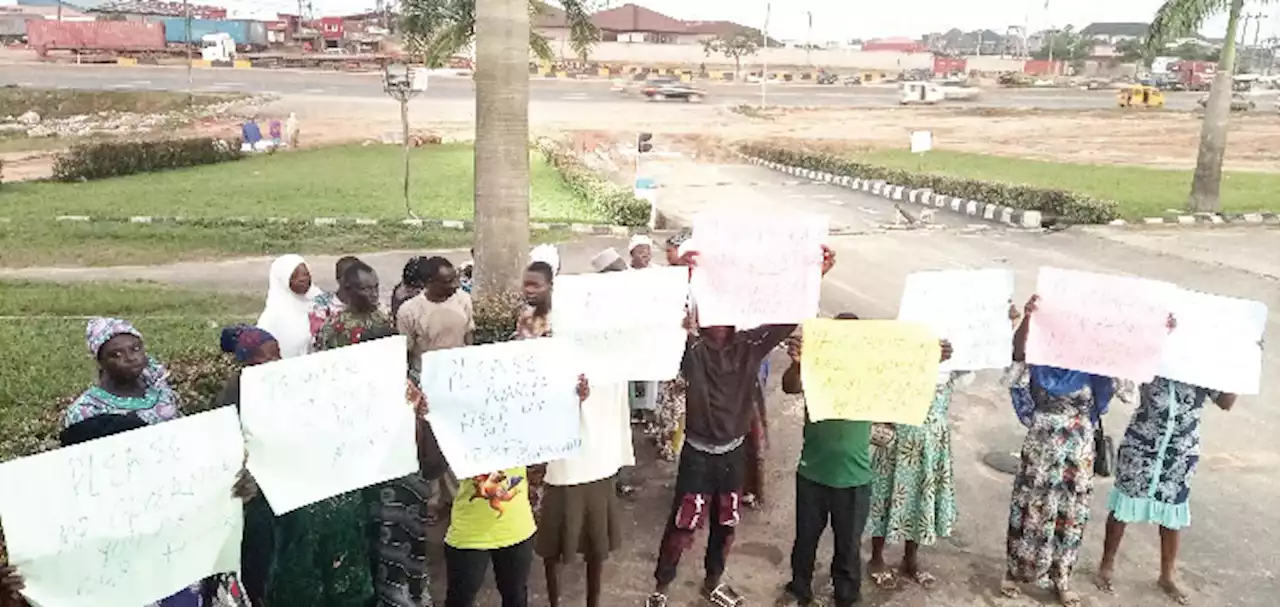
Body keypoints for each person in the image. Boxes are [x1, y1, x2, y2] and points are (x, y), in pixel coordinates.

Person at [646, 245, 836, 607]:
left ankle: (712, 582)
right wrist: (680, 275)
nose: (718, 318)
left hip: (733, 454)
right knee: (683, 523)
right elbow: (658, 317)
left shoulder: (751, 345)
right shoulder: (690, 349)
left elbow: (787, 317)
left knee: (727, 521)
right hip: (697, 455)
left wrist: (817, 275)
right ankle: (661, 588)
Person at [0, 413, 255, 607]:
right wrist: (10, 597)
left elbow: (219, 559)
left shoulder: (179, 509)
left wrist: (231, 498)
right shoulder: (56, 545)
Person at [1002, 294, 1123, 607]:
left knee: (1069, 515)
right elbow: (1017, 353)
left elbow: (1124, 374)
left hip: (1076, 451)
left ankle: (1061, 579)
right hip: (1041, 449)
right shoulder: (1041, 361)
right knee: (1030, 509)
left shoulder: (1093, 367)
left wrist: (1153, 333)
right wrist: (1029, 317)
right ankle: (1015, 572)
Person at [445, 375, 592, 607]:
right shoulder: (460, 427)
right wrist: (424, 414)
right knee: (460, 599)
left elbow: (555, 429)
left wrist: (574, 400)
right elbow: (431, 463)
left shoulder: (523, 423)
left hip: (517, 529)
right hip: (469, 532)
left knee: (515, 597)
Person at [1095, 376, 1237, 605]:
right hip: (1143, 441)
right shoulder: (1155, 352)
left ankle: (1166, 575)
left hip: (1180, 449)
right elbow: (1124, 386)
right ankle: (1106, 565)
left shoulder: (1204, 362)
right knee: (1123, 503)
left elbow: (1226, 402)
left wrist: (1237, 370)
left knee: (1172, 511)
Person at [778, 313, 880, 607]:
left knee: (848, 547)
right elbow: (790, 386)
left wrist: (929, 359)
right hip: (813, 473)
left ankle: (846, 597)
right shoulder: (816, 367)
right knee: (805, 540)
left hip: (855, 478)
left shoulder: (872, 374)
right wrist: (798, 363)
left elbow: (904, 380)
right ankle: (799, 588)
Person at [866, 345, 962, 590]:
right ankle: (876, 558)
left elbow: (979, 358)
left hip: (932, 441)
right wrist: (925, 360)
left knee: (921, 497)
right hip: (902, 435)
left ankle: (911, 559)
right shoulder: (909, 342)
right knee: (886, 495)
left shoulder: (955, 353)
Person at [537, 371, 633, 607]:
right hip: (561, 460)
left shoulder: (612, 348)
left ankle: (593, 602)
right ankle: (555, 602)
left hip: (598, 455)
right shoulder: (541, 339)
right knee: (553, 547)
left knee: (596, 545)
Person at [397, 255, 475, 524]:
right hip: (426, 384)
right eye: (447, 281)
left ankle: (455, 496)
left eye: (455, 278)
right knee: (429, 444)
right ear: (429, 283)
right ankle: (431, 499)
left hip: (458, 381)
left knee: (455, 438)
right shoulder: (410, 311)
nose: (455, 284)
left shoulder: (463, 300)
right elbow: (406, 352)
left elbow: (469, 338)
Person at [215, 325, 281, 607]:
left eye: (278, 355)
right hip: (253, 496)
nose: (276, 363)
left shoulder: (282, 384)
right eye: (266, 359)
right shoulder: (234, 397)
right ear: (247, 363)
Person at [63, 317, 181, 429]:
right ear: (100, 362)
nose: (130, 358)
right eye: (116, 355)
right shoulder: (87, 411)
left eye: (135, 349)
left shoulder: (157, 385)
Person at [313, 260, 392, 350]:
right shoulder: (335, 327)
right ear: (349, 289)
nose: (374, 294)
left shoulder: (384, 318)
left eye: (376, 287)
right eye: (367, 289)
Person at [257, 254, 323, 359]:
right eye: (294, 276)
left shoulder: (320, 301)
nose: (302, 279)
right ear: (283, 280)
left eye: (306, 274)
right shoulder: (272, 316)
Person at [309, 255, 364, 336]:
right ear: (338, 278)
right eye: (349, 276)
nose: (355, 279)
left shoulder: (367, 300)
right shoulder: (322, 304)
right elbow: (317, 335)